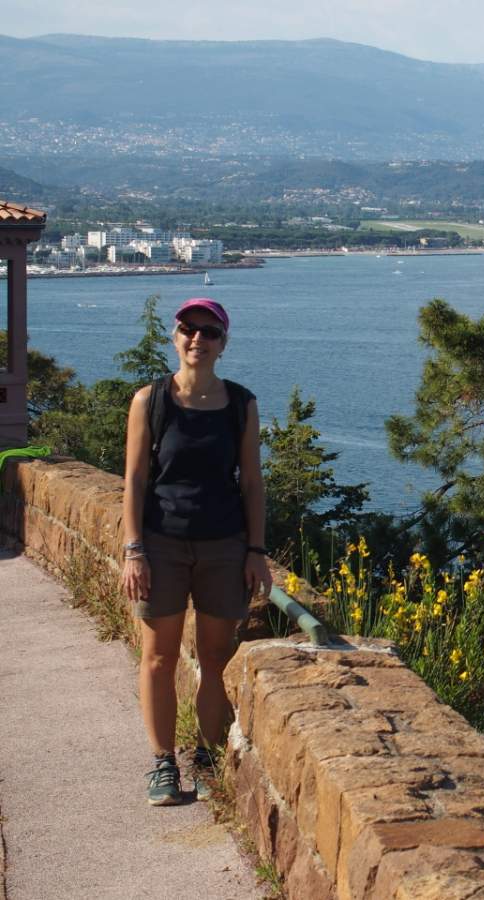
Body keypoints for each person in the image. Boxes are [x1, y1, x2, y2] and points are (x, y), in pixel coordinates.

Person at [119, 298, 271, 806]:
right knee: (158, 657)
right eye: (189, 329)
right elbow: (135, 479)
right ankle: (163, 762)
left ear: (223, 344)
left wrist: (256, 550)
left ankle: (206, 758)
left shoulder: (241, 404)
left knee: (215, 658)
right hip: (161, 543)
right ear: (175, 336)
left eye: (210, 332)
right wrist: (134, 550)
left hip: (224, 546)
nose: (197, 339)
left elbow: (252, 482)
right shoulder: (150, 400)